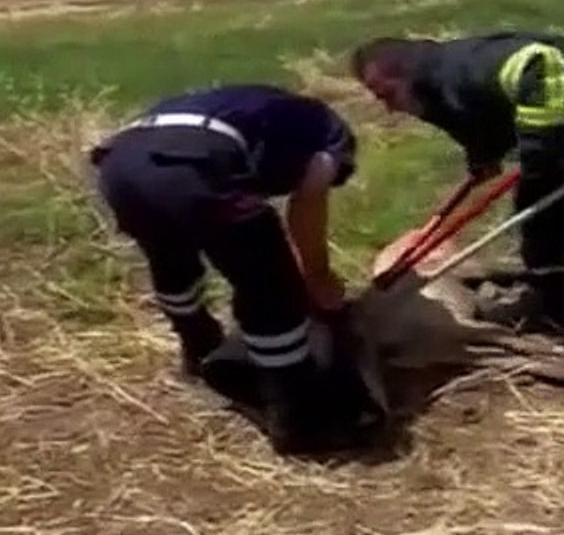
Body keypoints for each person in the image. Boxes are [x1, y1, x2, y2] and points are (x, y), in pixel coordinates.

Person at [349, 31, 564, 360]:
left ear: (406, 73)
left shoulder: (465, 68)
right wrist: (483, 156)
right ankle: (552, 296)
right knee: (535, 209)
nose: (389, 108)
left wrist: (540, 149)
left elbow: (542, 65)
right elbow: (478, 118)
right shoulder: (431, 93)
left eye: (387, 94)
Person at [88, 83, 376, 453]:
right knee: (270, 287)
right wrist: (316, 275)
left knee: (171, 257)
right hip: (195, 166)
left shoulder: (251, 107)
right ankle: (297, 418)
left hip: (119, 166)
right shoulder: (330, 137)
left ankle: (199, 347)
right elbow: (307, 205)